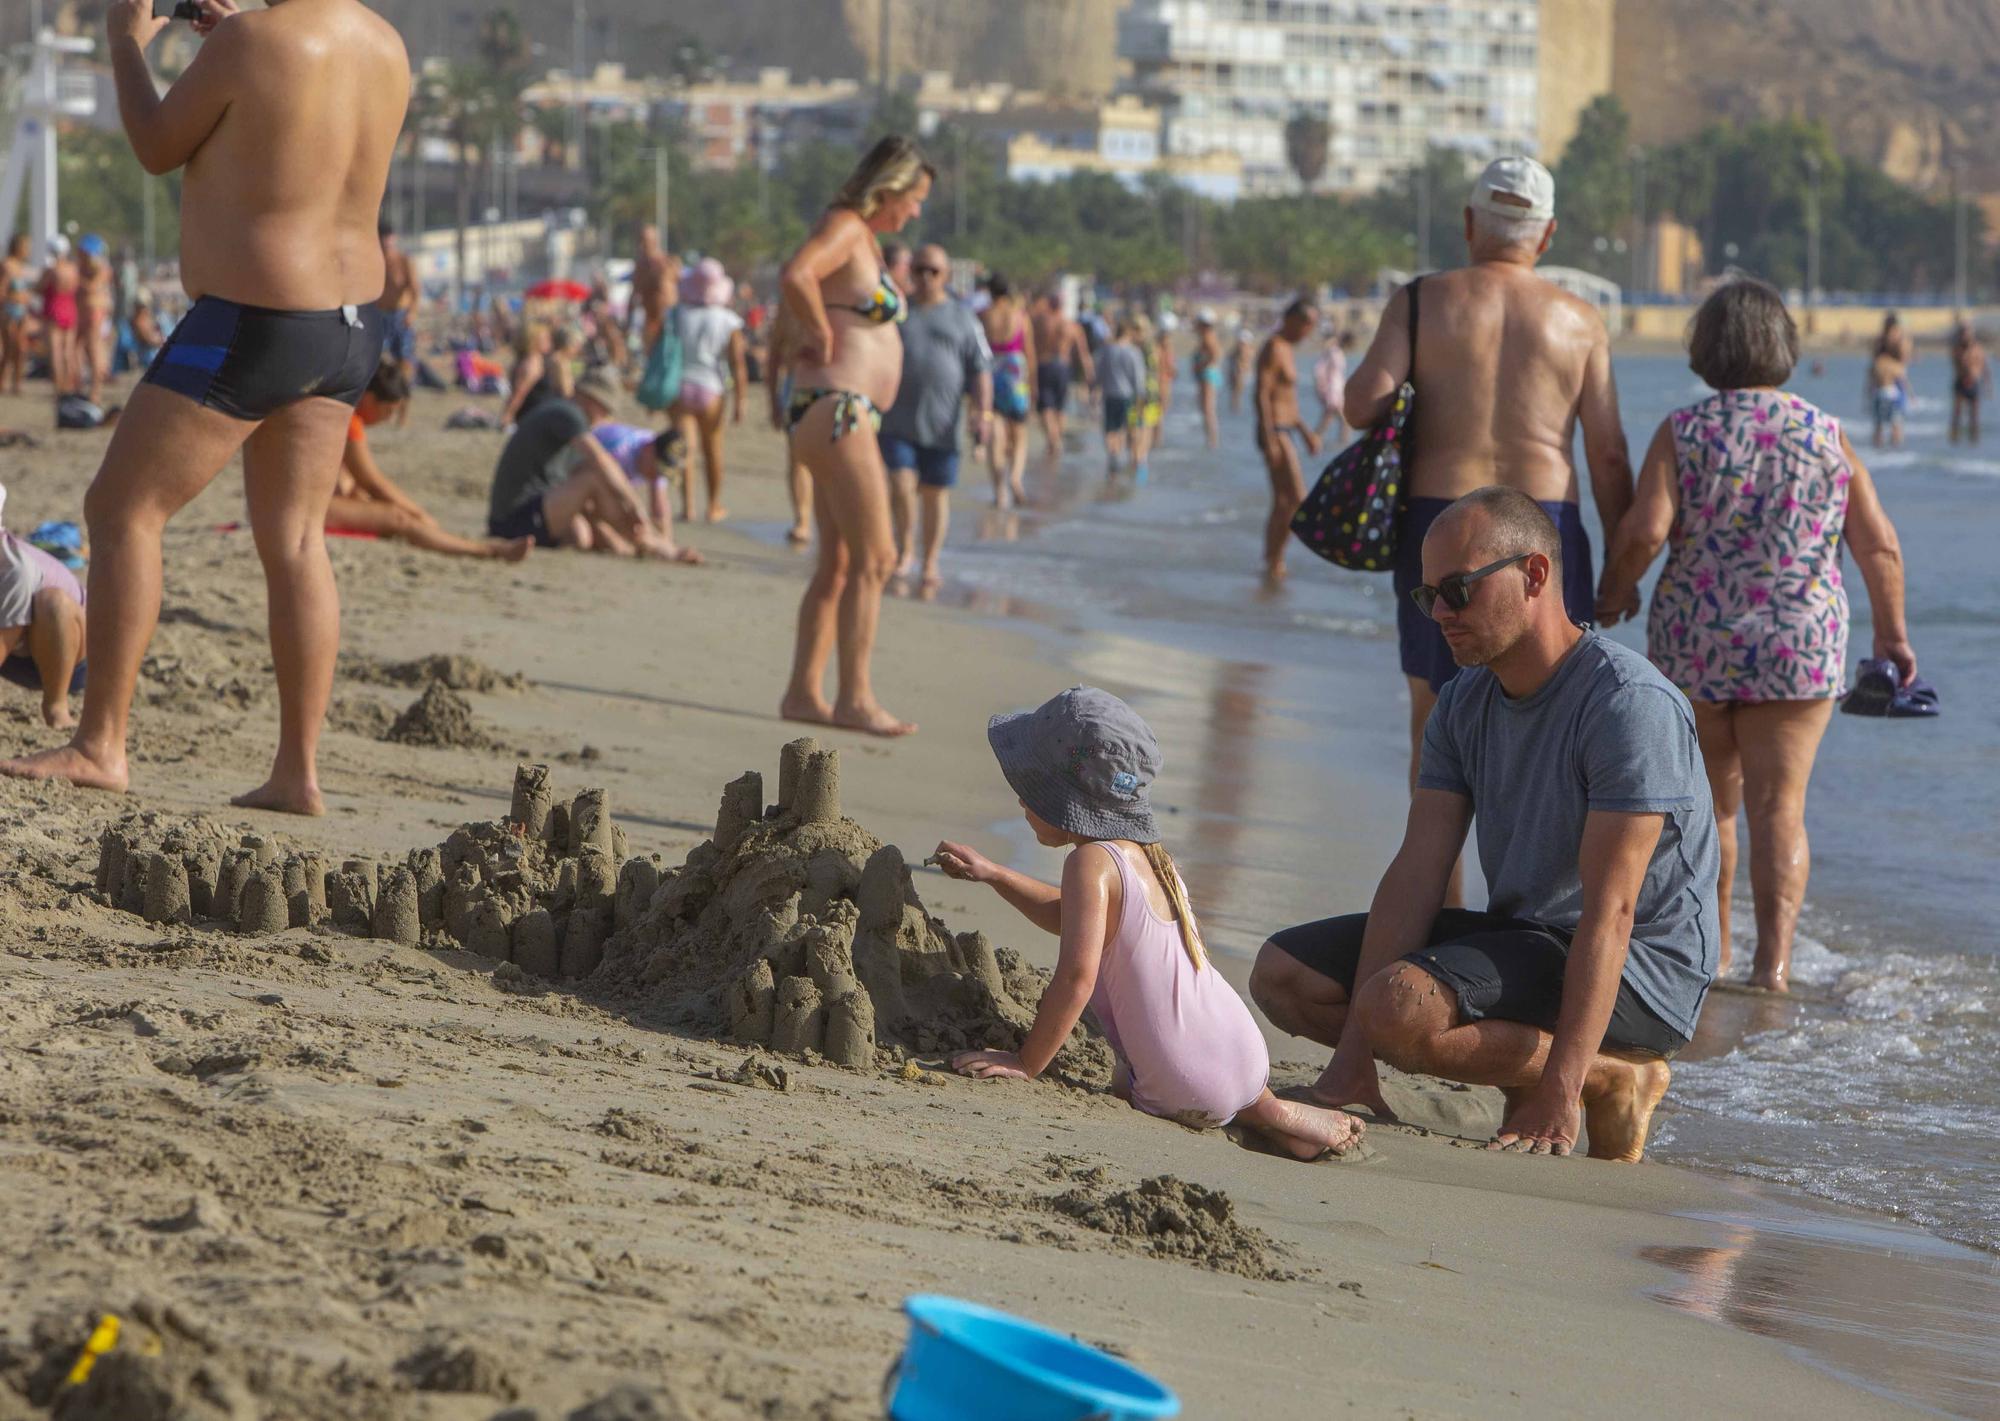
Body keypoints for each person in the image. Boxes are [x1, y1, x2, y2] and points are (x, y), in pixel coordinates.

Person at [1, 0, 408, 815]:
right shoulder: (384, 45)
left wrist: (125, 44)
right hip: (351, 322)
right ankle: (298, 771)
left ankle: (101, 743)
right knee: (295, 537)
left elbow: (156, 145)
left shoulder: (256, 40)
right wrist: (236, 39)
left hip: (254, 318)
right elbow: (297, 122)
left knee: (122, 508)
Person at [1251, 488, 1721, 1161]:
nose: (1439, 612)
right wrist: (1351, 1059)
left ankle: (1612, 1074)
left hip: (1643, 970)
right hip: (1528, 936)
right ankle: (1554, 1064)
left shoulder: (1627, 705)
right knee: (1285, 975)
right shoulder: (1463, 701)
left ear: (1533, 576)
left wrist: (1561, 1087)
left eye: (1457, 589)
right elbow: (1419, 868)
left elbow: (1613, 911)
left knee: (1398, 1007)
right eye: (1427, 597)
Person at [1595, 280, 1914, 993]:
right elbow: (1880, 546)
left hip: (1696, 643)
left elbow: (1647, 530)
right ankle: (1774, 967)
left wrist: (1616, 591)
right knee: (1781, 807)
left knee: (1713, 807)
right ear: (1785, 348)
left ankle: (1716, 955)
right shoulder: (1827, 434)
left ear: (1705, 351)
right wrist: (1893, 636)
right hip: (1799, 645)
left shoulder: (1685, 431)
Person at [939, 686, 1366, 1160]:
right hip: (1240, 1048)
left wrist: (1024, 1062)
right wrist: (996, 875)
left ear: (1064, 798)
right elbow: (1071, 918)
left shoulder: (1089, 864)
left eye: (1028, 787)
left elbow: (1076, 979)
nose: (1021, 801)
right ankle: (1272, 1115)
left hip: (1180, 1074)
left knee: (1138, 1080)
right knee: (1220, 1088)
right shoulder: (1148, 859)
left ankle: (1260, 1114)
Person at [1344, 156, 1634, 808]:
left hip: (1440, 523)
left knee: (1435, 714)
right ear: (1548, 233)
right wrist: (1621, 569)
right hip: (1545, 528)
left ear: (1471, 221)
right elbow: (1609, 455)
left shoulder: (1421, 300)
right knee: (1562, 714)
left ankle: (1440, 901)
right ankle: (1543, 902)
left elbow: (1361, 403)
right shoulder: (1581, 321)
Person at [776, 134, 933, 738]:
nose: (915, 212)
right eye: (913, 199)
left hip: (831, 411)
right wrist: (817, 329)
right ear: (888, 189)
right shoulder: (845, 225)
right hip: (839, 410)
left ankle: (802, 692)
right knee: (879, 556)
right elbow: (796, 275)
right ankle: (856, 699)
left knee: (839, 562)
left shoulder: (862, 238)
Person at [486, 369, 701, 563]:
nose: (606, 417)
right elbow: (601, 462)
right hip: (514, 518)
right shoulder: (566, 414)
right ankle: (654, 545)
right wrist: (635, 507)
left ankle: (647, 544)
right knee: (594, 478)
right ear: (591, 399)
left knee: (585, 538)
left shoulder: (563, 414)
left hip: (533, 510)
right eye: (604, 409)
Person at [330, 362, 532, 562]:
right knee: (397, 517)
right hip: (315, 510)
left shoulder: (337, 411)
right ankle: (487, 550)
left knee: (361, 495)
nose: (388, 419)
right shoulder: (350, 420)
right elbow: (373, 483)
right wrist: (418, 514)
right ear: (369, 399)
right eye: (388, 410)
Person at [879, 242, 992, 595]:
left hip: (943, 425)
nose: (926, 277)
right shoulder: (898, 313)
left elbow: (981, 369)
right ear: (910, 272)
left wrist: (983, 414)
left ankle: (930, 560)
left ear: (945, 276)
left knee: (934, 493)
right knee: (899, 485)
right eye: (919, 270)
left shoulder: (964, 319)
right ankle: (904, 551)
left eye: (934, 271)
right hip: (896, 420)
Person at [670, 257, 747, 524]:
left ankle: (687, 507)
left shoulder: (678, 314)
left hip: (681, 387)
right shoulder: (728, 320)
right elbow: (738, 364)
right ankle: (713, 506)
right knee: (713, 451)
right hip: (712, 389)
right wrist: (740, 401)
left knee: (685, 451)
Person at [1254, 300, 1324, 585]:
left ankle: (1273, 558)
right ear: (1294, 319)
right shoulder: (1273, 346)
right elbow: (1262, 394)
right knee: (1295, 498)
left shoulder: (1287, 349)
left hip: (1286, 428)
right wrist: (1269, 437)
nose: (1309, 332)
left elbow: (1289, 400)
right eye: (1308, 325)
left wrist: (1306, 431)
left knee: (1284, 501)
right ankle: (1274, 558)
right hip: (1275, 431)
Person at [0, 523, 87, 730]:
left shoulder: (14, 569)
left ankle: (56, 706)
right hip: (16, 649)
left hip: (70, 658)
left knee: (53, 603)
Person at [980, 275, 1036, 508]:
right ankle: (1015, 478)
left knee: (996, 432)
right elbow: (1030, 353)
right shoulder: (1020, 316)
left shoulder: (983, 315)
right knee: (1020, 431)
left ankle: (999, 491)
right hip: (1015, 370)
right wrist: (1033, 386)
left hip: (991, 369)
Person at [763, 305, 815, 548]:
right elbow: (774, 355)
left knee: (835, 460)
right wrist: (773, 401)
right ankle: (802, 519)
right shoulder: (791, 304)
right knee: (798, 458)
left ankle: (833, 524)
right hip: (798, 385)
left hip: (837, 385)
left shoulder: (841, 291)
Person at [1031, 291, 1092, 464]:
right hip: (1063, 367)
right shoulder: (1071, 326)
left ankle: (1054, 440)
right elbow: (1083, 352)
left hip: (1044, 365)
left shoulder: (1041, 323)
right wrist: (1088, 373)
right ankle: (1055, 438)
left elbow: (1030, 346)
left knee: (1045, 407)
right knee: (1060, 407)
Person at [376, 222, 419, 427]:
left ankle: (403, 415)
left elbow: (415, 290)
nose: (386, 243)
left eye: (388, 238)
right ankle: (382, 408)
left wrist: (412, 312)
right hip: (378, 316)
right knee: (377, 365)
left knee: (405, 367)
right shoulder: (373, 261)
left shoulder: (403, 261)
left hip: (399, 316)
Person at [1097, 318, 1146, 481]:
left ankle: (1114, 459)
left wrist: (1094, 390)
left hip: (1110, 395)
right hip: (1128, 397)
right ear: (1128, 332)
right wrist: (1141, 398)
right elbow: (1138, 379)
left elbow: (1099, 373)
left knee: (1111, 430)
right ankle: (1137, 465)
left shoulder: (1107, 350)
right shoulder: (1133, 351)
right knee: (1133, 430)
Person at [39, 236, 81, 397]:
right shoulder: (73, 268)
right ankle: (71, 386)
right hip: (70, 309)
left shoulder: (52, 270)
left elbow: (39, 288)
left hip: (54, 310)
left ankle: (59, 388)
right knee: (69, 351)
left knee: (56, 352)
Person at [630, 223, 681, 353]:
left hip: (670, 320)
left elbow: (679, 290)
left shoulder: (669, 263)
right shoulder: (641, 267)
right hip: (651, 323)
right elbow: (634, 294)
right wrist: (629, 320)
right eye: (640, 241)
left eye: (646, 241)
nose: (642, 245)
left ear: (655, 242)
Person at [76, 235, 114, 402]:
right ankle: (82, 387)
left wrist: (76, 280)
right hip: (85, 312)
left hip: (95, 312)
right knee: (81, 351)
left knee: (94, 351)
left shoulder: (101, 268)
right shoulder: (83, 268)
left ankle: (95, 391)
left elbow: (93, 287)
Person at [1949, 321, 1990, 445]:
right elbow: (1957, 365)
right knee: (1957, 412)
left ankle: (1974, 439)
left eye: (1968, 333)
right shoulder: (1957, 349)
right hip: (1961, 382)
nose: (1966, 336)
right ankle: (1954, 439)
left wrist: (1988, 386)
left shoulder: (1978, 349)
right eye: (1964, 334)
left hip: (1974, 382)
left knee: (1974, 414)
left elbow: (1984, 368)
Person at [1, 235, 32, 396]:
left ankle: (17, 383)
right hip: (9, 311)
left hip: (21, 312)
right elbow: (2, 291)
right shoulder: (6, 265)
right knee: (9, 349)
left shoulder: (21, 266)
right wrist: (17, 298)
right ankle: (3, 381)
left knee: (21, 349)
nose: (29, 250)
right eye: (26, 246)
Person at [1313, 327, 1354, 442]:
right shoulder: (1333, 351)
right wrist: (1320, 385)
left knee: (1332, 418)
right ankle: (1316, 440)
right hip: (1332, 390)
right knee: (1335, 418)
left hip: (1337, 389)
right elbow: (1319, 369)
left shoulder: (1337, 352)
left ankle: (1316, 440)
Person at [1867, 341, 1910, 449]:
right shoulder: (1894, 364)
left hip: (1879, 394)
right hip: (1892, 394)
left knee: (1878, 425)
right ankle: (1896, 449)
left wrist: (1868, 397)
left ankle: (1877, 448)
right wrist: (1911, 397)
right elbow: (1903, 382)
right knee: (1895, 425)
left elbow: (1870, 384)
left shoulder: (1876, 363)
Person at [1191, 310, 1223, 449]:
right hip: (1208, 374)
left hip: (1208, 375)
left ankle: (1211, 441)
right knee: (1207, 408)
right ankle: (1210, 440)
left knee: (1208, 409)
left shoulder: (1208, 337)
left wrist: (1200, 366)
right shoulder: (1208, 336)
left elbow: (1216, 355)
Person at [1225, 326, 1252, 414]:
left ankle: (1235, 409)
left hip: (1240, 372)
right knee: (1236, 393)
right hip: (1240, 372)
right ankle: (1235, 409)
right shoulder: (1244, 348)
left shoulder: (1244, 349)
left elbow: (1242, 361)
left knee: (1236, 394)